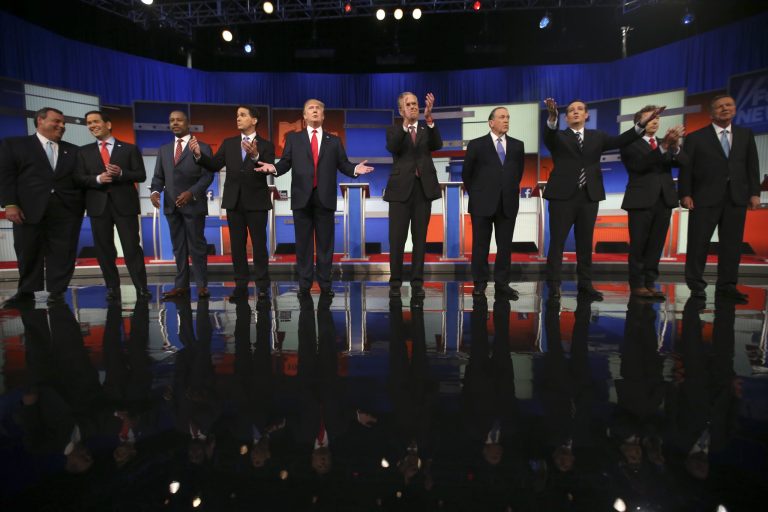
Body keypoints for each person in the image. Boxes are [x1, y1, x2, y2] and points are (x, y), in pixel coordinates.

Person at [542, 98, 663, 300]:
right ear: (565, 117)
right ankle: (554, 285)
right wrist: (552, 117)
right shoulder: (559, 136)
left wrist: (642, 124)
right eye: (571, 110)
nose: (575, 112)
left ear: (587, 115)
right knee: (557, 243)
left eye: (580, 109)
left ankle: (585, 285)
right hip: (562, 196)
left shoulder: (597, 136)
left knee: (585, 242)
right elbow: (549, 135)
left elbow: (622, 140)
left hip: (589, 195)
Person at [256, 99, 373, 298]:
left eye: (319, 108)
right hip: (302, 198)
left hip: (325, 198)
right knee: (303, 244)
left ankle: (326, 285)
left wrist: (355, 169)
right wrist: (273, 168)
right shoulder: (294, 139)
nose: (315, 111)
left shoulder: (334, 140)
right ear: (304, 116)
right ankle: (304, 285)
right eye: (311, 108)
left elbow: (343, 164)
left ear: (324, 115)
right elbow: (285, 163)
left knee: (325, 245)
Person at [678, 95, 761, 303]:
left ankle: (727, 286)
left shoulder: (745, 134)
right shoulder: (696, 137)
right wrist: (685, 193)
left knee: (731, 245)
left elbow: (752, 165)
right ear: (712, 113)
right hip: (703, 198)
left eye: (729, 105)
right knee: (698, 244)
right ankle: (696, 286)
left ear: (734, 108)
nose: (725, 108)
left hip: (736, 197)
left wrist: (755, 193)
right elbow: (686, 168)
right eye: (720, 106)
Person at [190, 105, 276, 301]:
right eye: (237, 115)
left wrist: (255, 156)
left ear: (254, 120)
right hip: (234, 202)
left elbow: (270, 169)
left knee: (259, 246)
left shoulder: (266, 145)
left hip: (257, 203)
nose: (238, 118)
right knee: (237, 247)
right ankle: (241, 287)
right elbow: (214, 165)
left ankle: (263, 287)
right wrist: (198, 155)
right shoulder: (228, 143)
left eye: (243, 115)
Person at [0, 107, 84, 307]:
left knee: (63, 252)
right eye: (57, 121)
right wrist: (10, 204)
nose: (62, 126)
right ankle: (26, 292)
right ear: (40, 120)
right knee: (27, 250)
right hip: (27, 211)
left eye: (63, 123)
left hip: (65, 211)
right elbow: (5, 177)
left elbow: (80, 180)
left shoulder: (73, 150)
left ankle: (57, 292)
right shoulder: (14, 145)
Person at [74, 110, 151, 302]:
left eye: (95, 121)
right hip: (98, 206)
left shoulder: (129, 149)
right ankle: (112, 288)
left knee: (132, 248)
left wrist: (122, 173)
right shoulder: (83, 152)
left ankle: (141, 287)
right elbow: (78, 178)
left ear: (108, 124)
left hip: (125, 205)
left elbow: (140, 174)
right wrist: (98, 178)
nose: (92, 126)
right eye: (88, 123)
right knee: (104, 249)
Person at [620, 105, 687, 300]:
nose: (655, 121)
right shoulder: (629, 142)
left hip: (664, 200)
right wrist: (664, 146)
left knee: (656, 245)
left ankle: (650, 283)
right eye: (650, 118)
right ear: (639, 122)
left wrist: (674, 146)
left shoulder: (663, 143)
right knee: (639, 245)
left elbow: (684, 162)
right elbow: (639, 165)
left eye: (657, 119)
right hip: (640, 201)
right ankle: (637, 284)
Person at [149, 111, 214, 301]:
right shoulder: (164, 150)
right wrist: (155, 191)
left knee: (197, 247)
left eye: (179, 120)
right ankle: (181, 286)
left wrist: (191, 193)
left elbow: (207, 175)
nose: (175, 123)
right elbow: (158, 177)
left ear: (188, 123)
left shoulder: (202, 147)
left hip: (193, 205)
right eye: (171, 120)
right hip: (171, 206)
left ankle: (202, 286)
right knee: (178, 248)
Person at [383, 92, 443, 299]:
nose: (413, 107)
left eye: (415, 104)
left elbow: (437, 145)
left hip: (423, 190)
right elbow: (393, 147)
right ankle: (395, 282)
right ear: (401, 110)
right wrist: (405, 125)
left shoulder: (427, 129)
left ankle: (417, 282)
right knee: (397, 239)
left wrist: (429, 119)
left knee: (420, 239)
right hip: (400, 191)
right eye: (408, 105)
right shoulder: (393, 130)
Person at [462, 107, 525, 300]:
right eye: (501, 117)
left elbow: (518, 173)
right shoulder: (476, 145)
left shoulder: (517, 145)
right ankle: (480, 283)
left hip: (508, 202)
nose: (506, 120)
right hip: (482, 203)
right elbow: (467, 174)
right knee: (481, 245)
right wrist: (479, 193)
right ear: (491, 122)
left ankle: (502, 283)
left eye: (507, 117)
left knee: (505, 246)